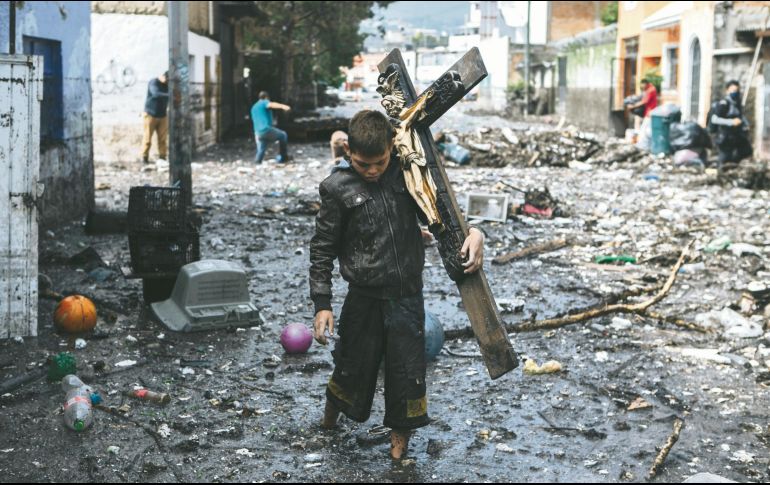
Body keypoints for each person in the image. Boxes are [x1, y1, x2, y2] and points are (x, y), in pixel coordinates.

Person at [309, 110, 485, 460]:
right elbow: (322, 248)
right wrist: (322, 304)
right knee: (350, 366)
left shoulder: (408, 178)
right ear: (347, 152)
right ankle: (327, 425)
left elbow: (442, 218)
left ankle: (397, 457)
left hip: (407, 296)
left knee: (407, 375)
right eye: (363, 164)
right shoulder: (336, 188)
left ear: (392, 148)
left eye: (380, 162)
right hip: (363, 297)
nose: (372, 171)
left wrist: (476, 233)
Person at [710, 80, 752, 167]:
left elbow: (740, 116)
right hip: (725, 137)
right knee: (725, 158)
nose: (735, 93)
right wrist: (731, 122)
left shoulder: (737, 104)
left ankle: (731, 169)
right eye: (732, 90)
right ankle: (720, 173)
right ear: (727, 91)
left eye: (736, 91)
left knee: (746, 151)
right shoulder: (724, 104)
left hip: (736, 135)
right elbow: (714, 119)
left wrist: (745, 124)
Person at [251, 91, 291, 164]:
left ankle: (257, 161)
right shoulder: (263, 102)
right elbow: (271, 104)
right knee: (283, 135)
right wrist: (283, 106)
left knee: (262, 148)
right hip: (265, 129)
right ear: (266, 98)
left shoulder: (254, 107)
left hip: (257, 132)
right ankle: (284, 157)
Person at [141, 71, 169, 164]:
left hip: (162, 115)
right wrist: (171, 95)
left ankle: (162, 158)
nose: (168, 82)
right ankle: (144, 158)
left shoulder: (168, 85)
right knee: (147, 138)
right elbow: (155, 93)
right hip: (150, 114)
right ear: (164, 76)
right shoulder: (154, 82)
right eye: (167, 79)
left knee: (163, 139)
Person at [629, 79, 658, 150]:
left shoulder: (651, 90)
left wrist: (633, 106)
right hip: (649, 113)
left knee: (644, 130)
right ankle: (644, 145)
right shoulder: (650, 89)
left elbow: (644, 101)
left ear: (645, 84)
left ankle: (642, 146)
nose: (641, 86)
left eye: (642, 85)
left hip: (650, 113)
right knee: (645, 130)